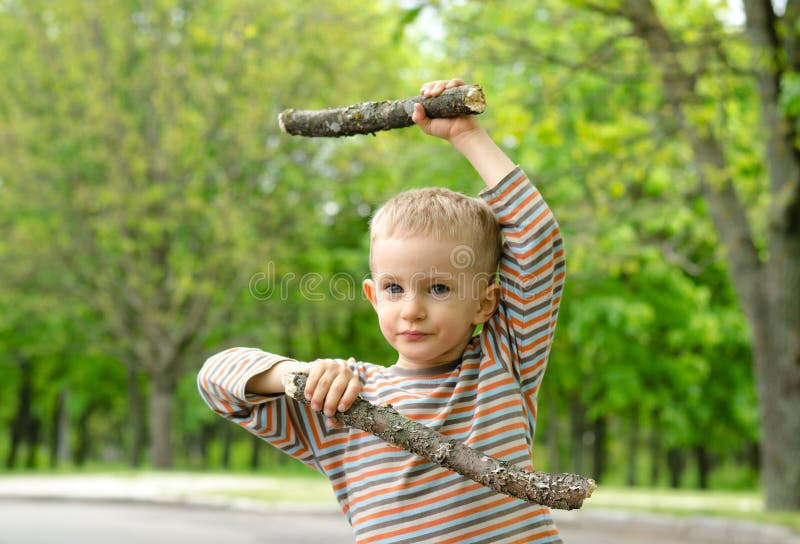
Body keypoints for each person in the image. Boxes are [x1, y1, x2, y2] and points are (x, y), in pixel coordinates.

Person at [197, 78, 566, 543]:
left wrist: (468, 137)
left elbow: (538, 239)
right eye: (394, 288)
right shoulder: (343, 399)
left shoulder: (503, 361)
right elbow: (217, 381)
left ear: (483, 302)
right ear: (373, 297)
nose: (411, 310)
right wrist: (298, 375)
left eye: (437, 288)